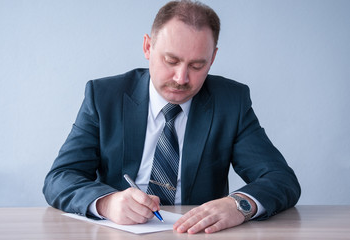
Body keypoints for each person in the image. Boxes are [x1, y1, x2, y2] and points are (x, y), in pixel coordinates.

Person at [43, 0, 300, 234]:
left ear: (213, 59)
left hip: (197, 234)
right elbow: (60, 178)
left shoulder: (231, 102)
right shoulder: (103, 96)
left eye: (197, 66)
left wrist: (240, 205)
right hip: (117, 233)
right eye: (171, 60)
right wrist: (107, 203)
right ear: (147, 47)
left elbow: (281, 179)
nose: (181, 78)